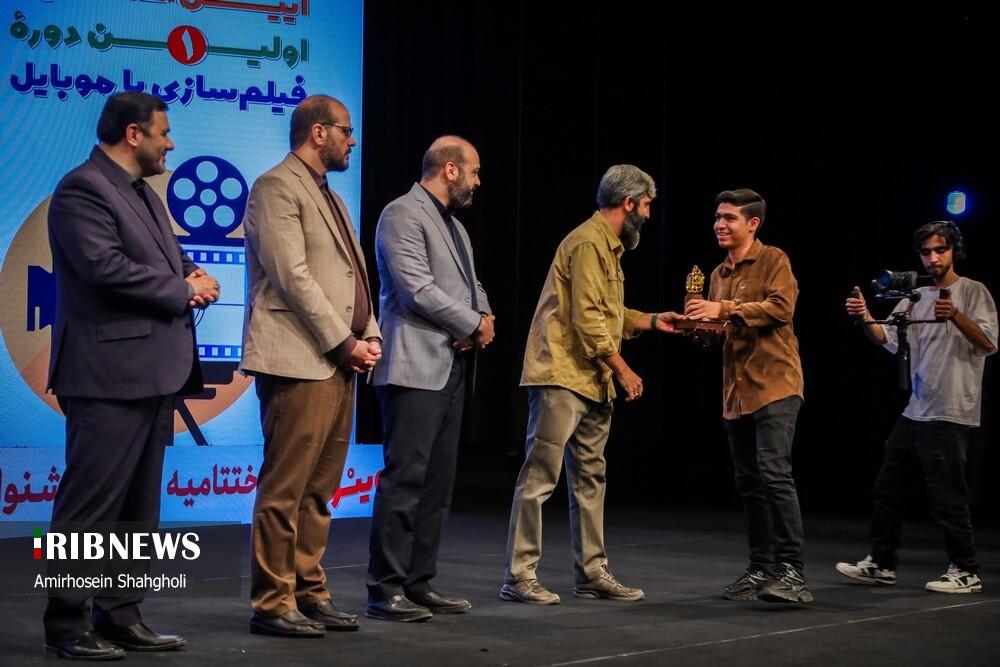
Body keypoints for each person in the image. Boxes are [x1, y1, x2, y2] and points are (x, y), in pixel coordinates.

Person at [44, 91, 219, 659]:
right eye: (164, 133)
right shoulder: (82, 188)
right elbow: (105, 268)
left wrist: (191, 271)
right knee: (89, 509)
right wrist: (183, 289)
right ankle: (67, 625)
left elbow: (161, 256)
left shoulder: (142, 191)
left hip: (152, 374)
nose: (171, 143)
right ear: (133, 134)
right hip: (105, 375)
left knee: (137, 510)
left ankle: (120, 613)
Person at [500, 164, 683, 605]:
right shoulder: (587, 242)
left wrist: (654, 320)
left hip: (590, 378)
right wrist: (623, 369)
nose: (648, 214)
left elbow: (609, 314)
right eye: (646, 205)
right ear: (628, 203)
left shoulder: (608, 247)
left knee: (590, 479)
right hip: (562, 375)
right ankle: (519, 576)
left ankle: (592, 573)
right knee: (540, 476)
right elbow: (586, 319)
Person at [241, 95, 381, 637]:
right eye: (346, 131)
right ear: (318, 132)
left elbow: (354, 276)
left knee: (319, 490)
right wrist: (345, 343)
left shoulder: (331, 197)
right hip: (299, 359)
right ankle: (273, 602)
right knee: (286, 489)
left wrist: (370, 334)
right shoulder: (275, 186)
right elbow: (292, 277)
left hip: (339, 361)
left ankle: (308, 590)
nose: (353, 140)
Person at [367, 136, 493, 621]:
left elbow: (471, 284)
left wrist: (484, 316)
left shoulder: (456, 227)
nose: (478, 181)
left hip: (452, 365)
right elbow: (415, 288)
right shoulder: (401, 213)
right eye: (474, 171)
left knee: (438, 484)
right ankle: (385, 588)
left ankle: (419, 582)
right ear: (450, 169)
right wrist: (471, 323)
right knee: (406, 478)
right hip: (413, 365)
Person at [837, 220, 997, 593]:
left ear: (954, 250)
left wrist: (955, 315)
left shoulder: (973, 291)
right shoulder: (915, 296)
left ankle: (966, 570)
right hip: (916, 409)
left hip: (950, 410)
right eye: (926, 252)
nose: (933, 258)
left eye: (940, 250)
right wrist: (864, 316)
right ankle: (881, 563)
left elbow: (988, 343)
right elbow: (886, 337)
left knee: (947, 497)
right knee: (888, 488)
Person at [685, 189, 811, 604]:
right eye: (717, 217)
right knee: (750, 483)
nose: (720, 224)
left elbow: (780, 309)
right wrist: (697, 328)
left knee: (774, 474)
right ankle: (761, 568)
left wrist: (722, 310)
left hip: (774, 384)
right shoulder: (718, 273)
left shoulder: (774, 259)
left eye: (729, 218)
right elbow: (721, 332)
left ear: (753, 224)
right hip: (736, 391)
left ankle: (791, 571)